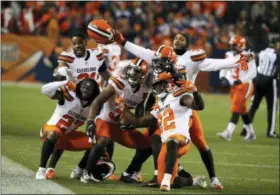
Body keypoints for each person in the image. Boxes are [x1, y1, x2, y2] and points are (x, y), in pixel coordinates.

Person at [109, 29, 250, 189]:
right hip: (162, 105)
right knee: (151, 138)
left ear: (188, 44)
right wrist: (122, 41)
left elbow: (215, 64)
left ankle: (212, 177)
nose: (177, 40)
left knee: (199, 142)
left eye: (181, 39)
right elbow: (140, 51)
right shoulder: (160, 54)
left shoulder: (191, 58)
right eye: (175, 38)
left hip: (184, 104)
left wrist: (237, 60)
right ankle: (145, 172)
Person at [119, 72, 207, 191]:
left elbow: (199, 106)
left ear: (168, 84)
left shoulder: (180, 96)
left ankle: (166, 181)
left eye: (160, 85)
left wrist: (195, 91)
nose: (156, 88)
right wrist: (122, 108)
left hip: (181, 140)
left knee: (172, 141)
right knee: (167, 179)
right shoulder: (159, 105)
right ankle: (194, 180)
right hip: (167, 145)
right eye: (155, 86)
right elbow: (138, 122)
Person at [46, 32, 111, 180]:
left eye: (79, 43)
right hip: (74, 99)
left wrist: (115, 85)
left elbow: (104, 73)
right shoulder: (68, 56)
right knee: (64, 132)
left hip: (93, 100)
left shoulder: (97, 55)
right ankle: (50, 167)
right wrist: (60, 71)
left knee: (101, 135)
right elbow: (59, 69)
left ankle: (82, 169)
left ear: (86, 42)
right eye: (74, 43)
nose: (76, 47)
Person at [80, 58, 153, 183]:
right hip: (105, 121)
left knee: (148, 145)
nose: (132, 73)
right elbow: (97, 101)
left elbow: (139, 110)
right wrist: (90, 121)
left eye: (137, 71)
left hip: (121, 126)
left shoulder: (143, 90)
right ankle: (86, 172)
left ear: (144, 75)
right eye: (131, 69)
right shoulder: (118, 82)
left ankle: (130, 172)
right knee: (103, 141)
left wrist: (133, 124)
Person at [35, 78, 115, 181]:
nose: (85, 90)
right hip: (49, 132)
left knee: (96, 142)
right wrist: (65, 82)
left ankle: (79, 170)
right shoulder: (69, 96)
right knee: (55, 133)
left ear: (94, 92)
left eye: (89, 89)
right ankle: (41, 169)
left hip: (68, 137)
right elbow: (44, 90)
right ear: (79, 87)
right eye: (83, 87)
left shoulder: (94, 106)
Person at [218, 35, 257, 141]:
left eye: (234, 45)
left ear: (241, 45)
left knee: (235, 108)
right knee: (243, 110)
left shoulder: (248, 55)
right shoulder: (229, 54)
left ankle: (228, 133)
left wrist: (241, 80)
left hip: (245, 85)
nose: (231, 47)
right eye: (231, 44)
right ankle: (251, 133)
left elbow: (253, 72)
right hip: (234, 85)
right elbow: (224, 67)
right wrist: (223, 77)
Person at [244, 37, 280, 138]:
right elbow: (277, 70)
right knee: (272, 107)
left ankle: (245, 129)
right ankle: (271, 132)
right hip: (269, 81)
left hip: (259, 79)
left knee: (254, 105)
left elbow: (254, 62)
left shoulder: (262, 52)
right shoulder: (277, 55)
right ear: (276, 44)